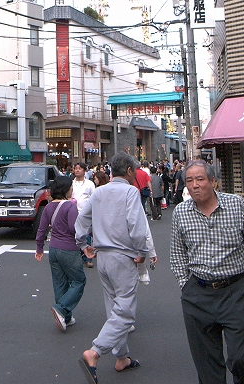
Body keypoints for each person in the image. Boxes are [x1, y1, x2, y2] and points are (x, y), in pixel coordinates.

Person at [170, 159, 244, 384]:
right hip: (198, 294)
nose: (195, 185)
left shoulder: (236, 205)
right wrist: (185, 285)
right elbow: (177, 254)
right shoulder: (180, 212)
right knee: (207, 364)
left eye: (200, 179)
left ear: (213, 181)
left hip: (234, 292)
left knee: (239, 358)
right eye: (189, 180)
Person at [77, 152, 148, 381]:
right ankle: (95, 351)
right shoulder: (130, 192)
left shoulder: (98, 193)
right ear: (129, 171)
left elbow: (82, 219)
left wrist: (82, 243)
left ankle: (122, 358)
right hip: (122, 256)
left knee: (113, 308)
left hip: (102, 257)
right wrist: (142, 251)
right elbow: (137, 226)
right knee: (125, 312)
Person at [35, 175, 86, 332]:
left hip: (54, 249)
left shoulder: (48, 207)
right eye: (71, 187)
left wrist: (39, 249)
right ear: (65, 189)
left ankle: (66, 318)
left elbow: (42, 229)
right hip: (69, 249)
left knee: (59, 283)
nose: (72, 189)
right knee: (79, 281)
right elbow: (74, 229)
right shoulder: (70, 206)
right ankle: (62, 309)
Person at [71, 162, 96, 268]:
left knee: (86, 235)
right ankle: (76, 256)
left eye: (79, 168)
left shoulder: (89, 184)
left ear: (84, 170)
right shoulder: (71, 183)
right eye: (75, 168)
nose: (77, 170)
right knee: (73, 234)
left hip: (85, 213)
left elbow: (94, 197)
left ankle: (87, 258)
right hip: (72, 212)